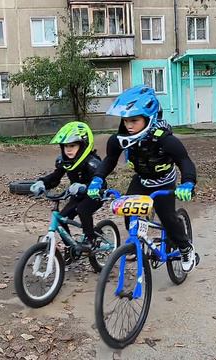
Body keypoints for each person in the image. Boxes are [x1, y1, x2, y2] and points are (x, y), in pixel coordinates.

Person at [86, 85, 198, 272]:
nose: (129, 125)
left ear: (149, 118)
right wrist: (97, 179)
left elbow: (184, 161)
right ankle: (135, 243)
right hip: (142, 179)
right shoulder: (118, 140)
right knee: (129, 212)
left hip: (164, 181)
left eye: (134, 120)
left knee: (168, 219)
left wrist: (188, 183)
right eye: (126, 120)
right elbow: (109, 160)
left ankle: (186, 248)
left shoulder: (165, 140)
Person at [30, 121, 103, 252]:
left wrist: (85, 187)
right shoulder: (66, 162)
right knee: (61, 219)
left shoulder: (92, 162)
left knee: (82, 209)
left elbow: (101, 181)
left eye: (72, 145)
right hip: (76, 194)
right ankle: (71, 248)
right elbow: (55, 177)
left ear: (83, 145)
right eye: (65, 146)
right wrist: (42, 182)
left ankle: (91, 240)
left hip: (95, 194)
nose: (68, 149)